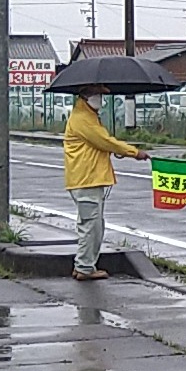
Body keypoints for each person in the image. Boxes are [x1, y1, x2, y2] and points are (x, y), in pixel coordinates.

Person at [62, 85, 148, 281]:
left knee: (94, 224)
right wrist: (134, 152)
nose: (100, 98)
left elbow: (102, 143)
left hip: (88, 177)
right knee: (90, 225)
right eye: (97, 94)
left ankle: (84, 264)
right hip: (86, 179)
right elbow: (105, 141)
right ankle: (84, 267)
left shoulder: (88, 116)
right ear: (85, 96)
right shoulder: (82, 119)